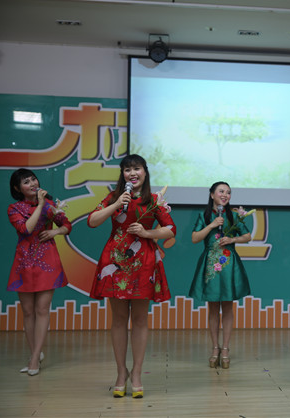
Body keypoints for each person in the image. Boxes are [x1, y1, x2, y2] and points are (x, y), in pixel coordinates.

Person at [88, 154, 176, 398]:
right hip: (115, 261)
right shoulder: (114, 197)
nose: (132, 173)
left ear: (145, 172)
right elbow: (92, 221)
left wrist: (147, 233)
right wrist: (116, 204)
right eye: (127, 170)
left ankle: (136, 373)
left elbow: (171, 229)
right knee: (118, 320)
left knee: (139, 320)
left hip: (143, 262)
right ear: (123, 175)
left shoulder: (155, 200)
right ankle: (121, 372)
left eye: (137, 168)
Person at [7, 168, 71, 376]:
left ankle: (34, 358)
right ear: (18, 188)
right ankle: (35, 352)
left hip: (47, 262)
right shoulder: (14, 208)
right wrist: (41, 205)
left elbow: (67, 225)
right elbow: (26, 229)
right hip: (24, 263)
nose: (33, 184)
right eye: (26, 182)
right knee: (28, 311)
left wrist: (56, 231)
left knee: (42, 310)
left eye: (33, 179)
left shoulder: (51, 205)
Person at [189, 181, 252, 370]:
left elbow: (247, 236)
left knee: (228, 307)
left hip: (228, 263)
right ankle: (215, 347)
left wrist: (232, 239)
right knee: (213, 308)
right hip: (211, 264)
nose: (225, 195)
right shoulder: (204, 215)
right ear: (212, 195)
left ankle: (225, 348)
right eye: (221, 191)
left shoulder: (233, 216)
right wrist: (212, 225)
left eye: (228, 192)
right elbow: (195, 238)